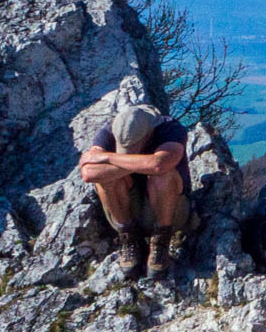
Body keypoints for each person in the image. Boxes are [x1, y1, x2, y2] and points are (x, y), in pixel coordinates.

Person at [79, 103, 190, 280]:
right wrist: (145, 164)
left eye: (133, 147)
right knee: (105, 179)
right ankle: (128, 237)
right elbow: (88, 173)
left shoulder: (170, 129)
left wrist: (108, 158)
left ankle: (161, 239)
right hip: (129, 208)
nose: (127, 152)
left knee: (163, 176)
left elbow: (161, 165)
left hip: (170, 210)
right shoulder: (108, 132)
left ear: (148, 134)